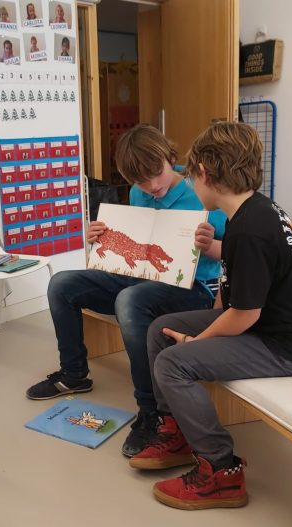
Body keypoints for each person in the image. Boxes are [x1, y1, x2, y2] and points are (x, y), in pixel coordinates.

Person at [129, 122, 292, 509]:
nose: (192, 184)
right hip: (262, 326)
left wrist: (197, 343)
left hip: (282, 345)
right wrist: (202, 329)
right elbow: (233, 284)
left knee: (173, 362)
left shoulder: (252, 228)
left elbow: (243, 316)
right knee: (162, 329)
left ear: (204, 173)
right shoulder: (249, 212)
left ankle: (221, 471)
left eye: (192, 177)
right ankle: (177, 431)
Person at [26, 124, 226, 459]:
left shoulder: (202, 190)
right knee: (62, 284)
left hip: (195, 289)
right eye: (141, 181)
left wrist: (211, 245)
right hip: (141, 279)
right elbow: (134, 244)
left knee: (130, 300)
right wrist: (99, 236)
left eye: (157, 173)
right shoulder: (137, 193)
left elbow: (238, 251)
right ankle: (74, 374)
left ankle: (152, 412)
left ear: (170, 158)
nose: (152, 186)